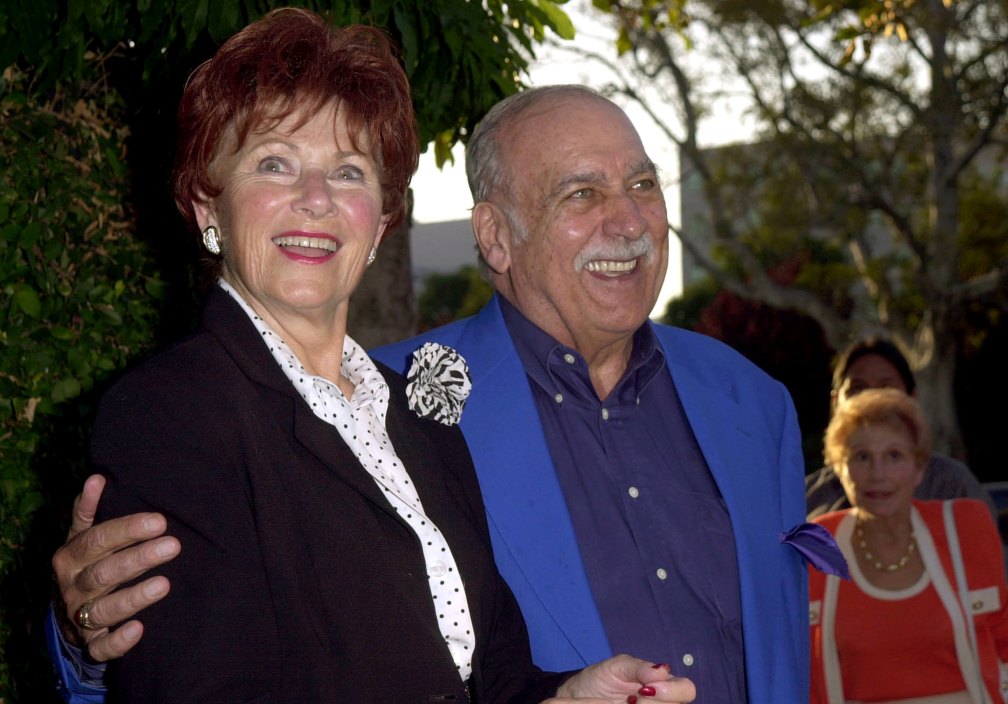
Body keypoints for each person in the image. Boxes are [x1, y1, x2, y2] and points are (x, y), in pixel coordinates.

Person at [50, 84, 844, 702]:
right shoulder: (412, 406)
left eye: (641, 183)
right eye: (580, 194)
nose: (627, 219)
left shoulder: (753, 400)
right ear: (494, 236)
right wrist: (91, 641)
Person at [808, 388, 1008, 703]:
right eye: (861, 456)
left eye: (894, 456)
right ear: (838, 468)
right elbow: (805, 674)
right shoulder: (819, 544)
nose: (877, 474)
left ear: (919, 468)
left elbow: (1004, 639)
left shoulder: (966, 525)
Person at [805, 335, 999, 521]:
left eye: (886, 388)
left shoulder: (953, 486)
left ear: (912, 398)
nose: (873, 398)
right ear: (835, 403)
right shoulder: (807, 497)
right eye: (857, 388)